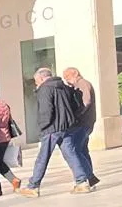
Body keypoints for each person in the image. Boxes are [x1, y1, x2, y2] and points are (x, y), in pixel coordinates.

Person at [24, 68, 91, 197]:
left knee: (42, 157)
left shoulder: (45, 89)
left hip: (51, 129)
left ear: (42, 78)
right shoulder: (64, 87)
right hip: (66, 127)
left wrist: (43, 126)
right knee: (71, 154)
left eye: (36, 80)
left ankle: (33, 186)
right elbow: (75, 105)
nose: (36, 83)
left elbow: (46, 110)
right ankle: (82, 182)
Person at [62, 67, 100, 188]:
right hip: (85, 122)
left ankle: (89, 176)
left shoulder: (82, 84)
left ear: (76, 74)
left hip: (83, 123)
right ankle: (90, 177)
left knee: (76, 150)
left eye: (68, 77)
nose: (67, 80)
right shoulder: (79, 84)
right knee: (83, 150)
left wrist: (77, 114)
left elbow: (86, 101)